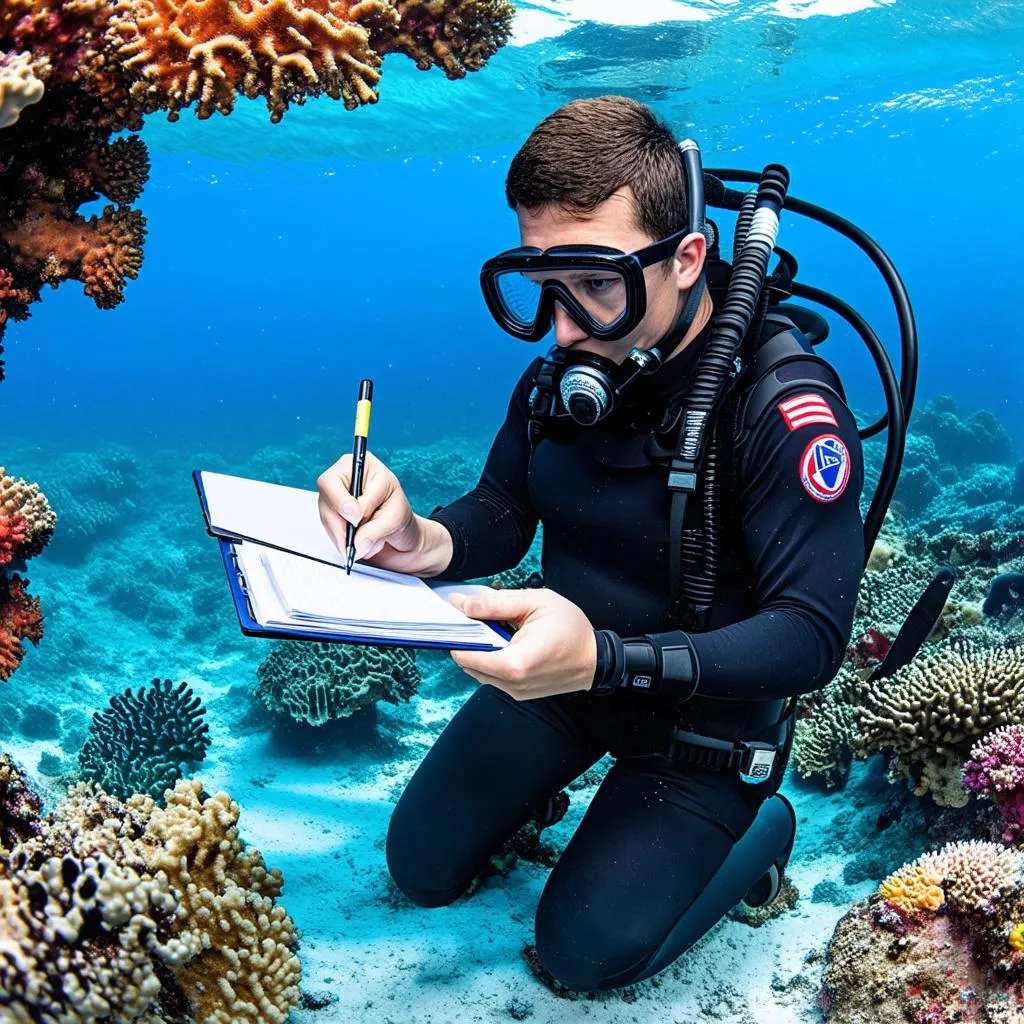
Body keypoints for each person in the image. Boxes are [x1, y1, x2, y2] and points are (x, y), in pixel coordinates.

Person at [316, 96, 866, 993]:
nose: (565, 328)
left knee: (580, 955)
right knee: (419, 865)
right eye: (544, 284)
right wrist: (420, 540)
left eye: (598, 285)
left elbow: (810, 636)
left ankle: (764, 830)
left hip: (705, 729)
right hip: (562, 684)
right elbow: (503, 506)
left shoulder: (784, 404)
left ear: (687, 259)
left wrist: (610, 659)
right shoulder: (572, 365)